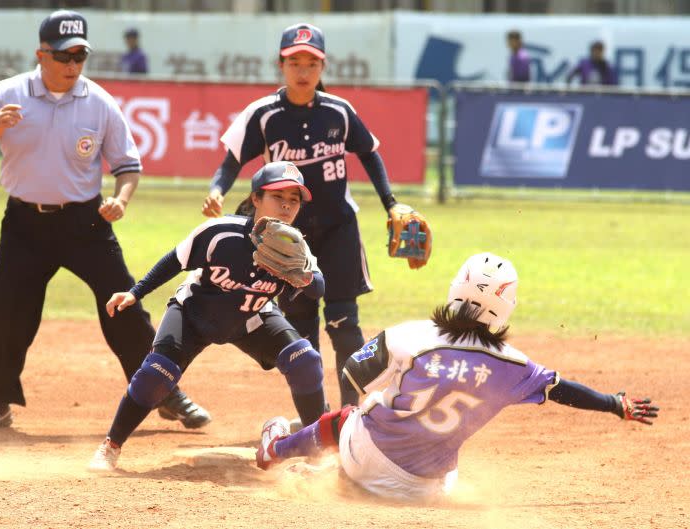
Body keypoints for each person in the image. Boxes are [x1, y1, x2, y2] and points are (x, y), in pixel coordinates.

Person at [0, 10, 209, 431]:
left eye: (79, 56)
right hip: (24, 225)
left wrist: (121, 200)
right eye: (63, 56)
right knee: (8, 313)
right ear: (41, 54)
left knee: (125, 305)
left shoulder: (99, 102)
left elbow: (128, 165)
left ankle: (163, 391)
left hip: (85, 224)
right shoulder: (8, 93)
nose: (72, 65)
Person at [255, 252, 659, 502]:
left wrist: (356, 424)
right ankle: (352, 467)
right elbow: (562, 389)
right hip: (424, 490)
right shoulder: (516, 366)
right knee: (442, 458)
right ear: (506, 306)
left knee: (352, 417)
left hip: (364, 461)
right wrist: (614, 403)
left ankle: (277, 450)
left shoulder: (410, 334)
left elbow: (351, 373)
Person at [201, 22, 430, 412]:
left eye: (311, 63)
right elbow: (231, 161)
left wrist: (390, 202)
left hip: (339, 229)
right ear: (281, 65)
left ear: (322, 67)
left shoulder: (339, 112)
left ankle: (350, 413)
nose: (303, 71)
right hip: (287, 237)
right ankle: (316, 419)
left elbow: (369, 153)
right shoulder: (264, 115)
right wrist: (217, 191)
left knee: (345, 324)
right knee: (301, 329)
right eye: (295, 63)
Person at [88, 161, 329, 472]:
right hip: (194, 314)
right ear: (256, 199)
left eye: (293, 200)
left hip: (251, 319)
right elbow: (176, 260)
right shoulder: (220, 232)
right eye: (277, 197)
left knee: (305, 360)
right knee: (156, 373)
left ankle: (316, 450)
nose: (285, 206)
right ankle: (111, 445)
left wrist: (304, 275)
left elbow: (318, 289)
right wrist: (135, 292)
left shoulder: (296, 248)